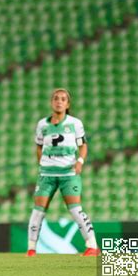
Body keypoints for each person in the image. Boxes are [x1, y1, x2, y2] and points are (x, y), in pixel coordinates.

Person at [26, 88, 100, 257]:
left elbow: (83, 145)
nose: (59, 101)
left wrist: (80, 161)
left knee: (75, 210)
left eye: (63, 99)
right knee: (38, 210)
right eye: (56, 98)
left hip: (69, 174)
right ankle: (31, 249)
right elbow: (38, 146)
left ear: (68, 104)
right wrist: (42, 164)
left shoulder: (75, 123)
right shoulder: (42, 124)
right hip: (46, 175)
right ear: (51, 102)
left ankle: (92, 246)